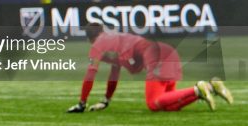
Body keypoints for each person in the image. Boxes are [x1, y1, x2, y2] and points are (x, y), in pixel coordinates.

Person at [67, 23, 234, 113]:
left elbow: (90, 74)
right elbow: (114, 73)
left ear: (90, 38)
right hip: (168, 52)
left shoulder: (97, 44)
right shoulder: (115, 38)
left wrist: (82, 103)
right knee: (167, 104)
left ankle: (198, 89)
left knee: (153, 104)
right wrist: (106, 100)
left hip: (156, 56)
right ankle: (211, 87)